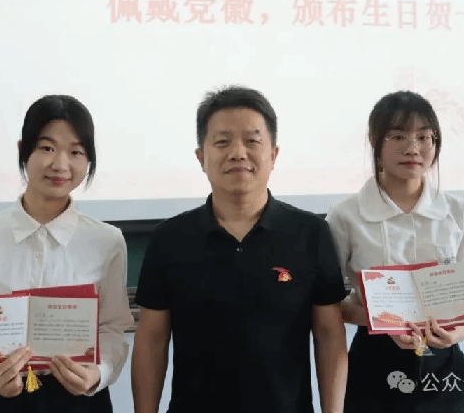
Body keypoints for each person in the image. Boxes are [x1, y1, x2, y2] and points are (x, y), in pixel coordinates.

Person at [131, 85, 348, 413]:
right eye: (222, 142)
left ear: (273, 155)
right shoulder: (170, 239)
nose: (238, 153)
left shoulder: (310, 233)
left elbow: (329, 334)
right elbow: (152, 339)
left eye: (252, 141)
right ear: (201, 158)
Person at [0, 95, 134, 413]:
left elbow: (112, 328)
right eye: (47, 148)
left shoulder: (107, 241)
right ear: (23, 150)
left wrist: (97, 373)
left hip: (80, 401)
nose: (61, 165)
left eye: (76, 152)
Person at [325, 90, 464, 413]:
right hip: (373, 368)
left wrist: (456, 333)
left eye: (424, 137)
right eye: (398, 136)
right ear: (375, 141)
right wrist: (384, 322)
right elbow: (331, 306)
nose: (413, 148)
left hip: (443, 372)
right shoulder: (345, 216)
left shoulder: (457, 212)